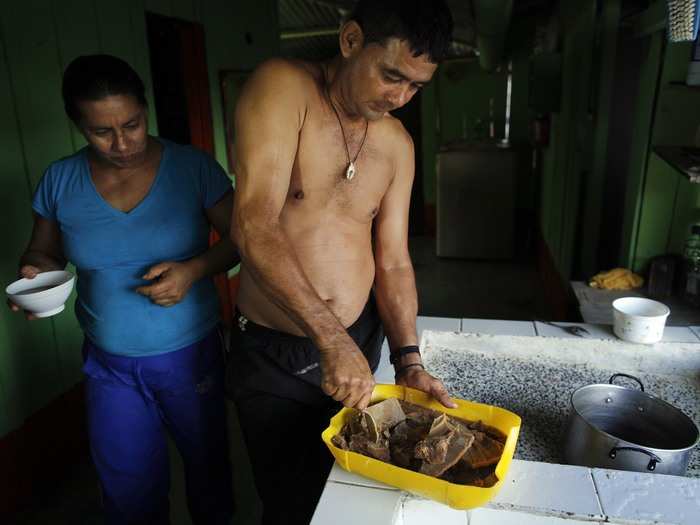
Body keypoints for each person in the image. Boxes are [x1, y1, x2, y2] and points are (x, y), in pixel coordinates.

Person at [227, 1, 454, 523]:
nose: (399, 97)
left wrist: (409, 361)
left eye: (416, 86)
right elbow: (253, 225)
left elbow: (393, 262)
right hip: (276, 354)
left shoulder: (397, 144)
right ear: (351, 40)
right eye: (391, 75)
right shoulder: (284, 89)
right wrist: (331, 340)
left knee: (355, 487)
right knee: (288, 498)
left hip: (360, 340)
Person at [8, 54, 238, 525]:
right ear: (77, 124)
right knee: (128, 489)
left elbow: (245, 243)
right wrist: (34, 276)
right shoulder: (60, 180)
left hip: (190, 356)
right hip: (109, 367)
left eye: (132, 124)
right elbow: (43, 254)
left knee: (208, 472)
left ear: (145, 110)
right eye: (101, 132)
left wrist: (194, 271)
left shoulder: (193, 168)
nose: (122, 143)